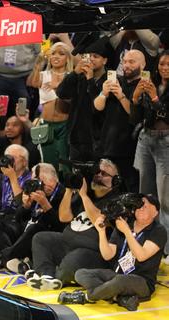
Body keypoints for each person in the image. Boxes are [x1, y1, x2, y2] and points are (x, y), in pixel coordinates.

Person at [60, 194, 166, 311]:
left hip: (142, 281)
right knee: (81, 273)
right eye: (138, 206)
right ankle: (119, 297)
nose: (140, 209)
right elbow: (107, 255)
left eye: (145, 207)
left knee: (120, 281)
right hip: (117, 274)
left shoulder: (158, 231)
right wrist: (101, 232)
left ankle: (87, 297)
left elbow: (141, 256)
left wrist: (127, 232)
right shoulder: (126, 224)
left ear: (155, 212)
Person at [27, 159, 122, 291]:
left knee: (71, 263)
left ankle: (56, 277)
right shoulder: (86, 193)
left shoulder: (116, 200)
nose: (98, 176)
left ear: (115, 180)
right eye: (97, 172)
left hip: (91, 252)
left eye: (104, 174)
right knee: (41, 238)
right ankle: (47, 275)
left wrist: (83, 196)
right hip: (67, 243)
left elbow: (98, 220)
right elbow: (63, 217)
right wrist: (68, 190)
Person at [0, 162, 66, 273]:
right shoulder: (37, 191)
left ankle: (2, 260)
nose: (35, 184)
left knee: (36, 228)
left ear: (49, 179)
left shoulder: (63, 194)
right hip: (23, 235)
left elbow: (60, 226)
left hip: (39, 237)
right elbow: (17, 218)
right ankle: (12, 261)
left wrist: (46, 205)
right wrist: (25, 206)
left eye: (37, 180)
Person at [131, 49, 169, 259]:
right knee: (145, 196)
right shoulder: (149, 82)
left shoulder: (155, 89)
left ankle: (166, 250)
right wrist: (136, 98)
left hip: (166, 142)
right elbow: (134, 118)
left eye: (168, 65)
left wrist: (155, 97)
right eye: (162, 64)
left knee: (165, 200)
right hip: (146, 139)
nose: (164, 68)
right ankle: (144, 244)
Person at [93, 49, 143, 192]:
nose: (126, 65)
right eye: (125, 61)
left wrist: (121, 96)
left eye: (132, 62)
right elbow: (97, 108)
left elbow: (136, 116)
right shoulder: (115, 81)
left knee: (130, 190)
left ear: (143, 65)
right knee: (105, 190)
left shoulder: (144, 86)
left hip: (129, 150)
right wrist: (103, 93)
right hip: (107, 146)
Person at [57, 37, 110, 161]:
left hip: (99, 140)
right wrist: (74, 73)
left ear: (105, 60)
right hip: (77, 139)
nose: (91, 59)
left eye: (95, 56)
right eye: (88, 56)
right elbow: (61, 93)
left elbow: (98, 108)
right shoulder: (79, 77)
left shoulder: (110, 80)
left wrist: (90, 80)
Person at [27, 42, 72, 172]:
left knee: (65, 163)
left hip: (64, 125)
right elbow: (32, 83)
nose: (56, 57)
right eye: (53, 53)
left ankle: (66, 190)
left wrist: (58, 87)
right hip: (46, 125)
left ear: (67, 58)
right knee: (47, 162)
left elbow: (74, 101)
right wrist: (38, 64)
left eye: (61, 54)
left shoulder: (71, 77)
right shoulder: (43, 75)